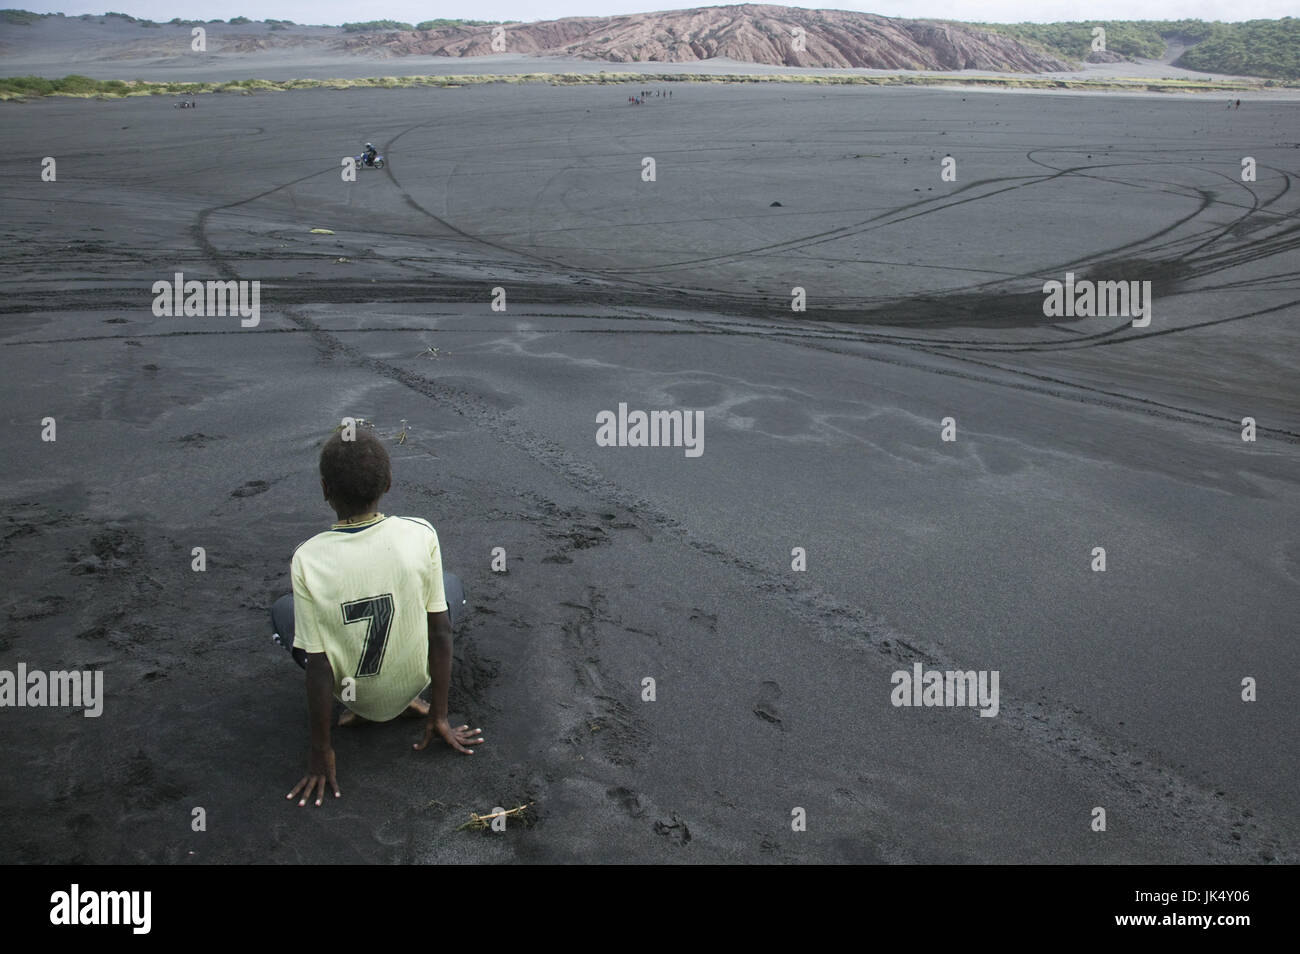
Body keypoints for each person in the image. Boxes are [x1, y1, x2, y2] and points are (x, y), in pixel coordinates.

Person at [270, 427, 484, 808]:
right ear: (388, 482)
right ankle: (408, 701)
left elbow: (317, 667)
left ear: (324, 489)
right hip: (414, 680)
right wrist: (440, 714)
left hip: (354, 691)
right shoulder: (420, 534)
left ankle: (359, 707)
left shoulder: (309, 558)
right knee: (449, 589)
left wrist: (321, 750)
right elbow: (441, 632)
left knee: (283, 611)